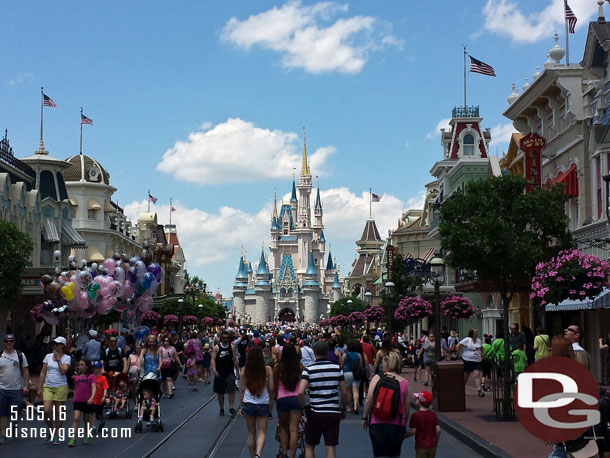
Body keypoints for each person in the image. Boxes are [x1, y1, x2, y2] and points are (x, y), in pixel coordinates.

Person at [298, 340, 347, 458]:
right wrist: (343, 408)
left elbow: (300, 392)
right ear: (327, 352)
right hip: (333, 411)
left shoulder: (308, 369)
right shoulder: (337, 369)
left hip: (315, 412)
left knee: (310, 445)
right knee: (330, 447)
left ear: (314, 352)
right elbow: (344, 392)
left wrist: (304, 407)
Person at [362, 352, 409, 458]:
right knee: (394, 454)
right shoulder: (404, 382)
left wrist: (364, 417)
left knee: (379, 454)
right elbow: (406, 407)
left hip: (377, 422)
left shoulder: (377, 378)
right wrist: (404, 423)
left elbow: (369, 399)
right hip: (396, 424)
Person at [240, 346, 274, 458]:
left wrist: (241, 406)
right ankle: (258, 454)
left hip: (248, 403)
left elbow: (242, 390)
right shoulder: (268, 370)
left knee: (251, 433)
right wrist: (271, 406)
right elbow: (272, 389)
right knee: (262, 432)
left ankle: (252, 456)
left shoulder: (244, 370)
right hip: (263, 403)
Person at [37, 336, 71, 444]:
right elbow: (43, 372)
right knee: (46, 410)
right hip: (48, 386)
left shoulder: (67, 358)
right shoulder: (47, 356)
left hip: (61, 386)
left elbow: (63, 371)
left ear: (62, 346)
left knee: (58, 412)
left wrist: (58, 360)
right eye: (54, 344)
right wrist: (40, 387)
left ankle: (57, 434)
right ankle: (51, 429)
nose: (55, 346)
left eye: (57, 344)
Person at [0, 333, 29, 444]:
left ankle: (13, 425)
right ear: (4, 342)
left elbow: (25, 370)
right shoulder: (1, 356)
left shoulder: (20, 355)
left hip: (16, 389)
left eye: (11, 341)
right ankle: (3, 434)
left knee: (16, 411)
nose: (9, 343)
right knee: (2, 412)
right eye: (7, 341)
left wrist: (26, 385)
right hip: (2, 389)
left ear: (14, 342)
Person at [274, 343, 303, 458]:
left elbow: (275, 384)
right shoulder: (299, 366)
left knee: (283, 427)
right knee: (294, 429)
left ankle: (284, 453)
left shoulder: (278, 366)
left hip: (282, 398)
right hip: (296, 398)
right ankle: (292, 455)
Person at [68, 359, 96, 447]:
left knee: (86, 420)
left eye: (82, 365)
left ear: (87, 367)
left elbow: (94, 388)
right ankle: (72, 438)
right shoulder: (77, 376)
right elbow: (76, 387)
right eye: (79, 365)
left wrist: (92, 398)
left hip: (87, 401)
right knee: (76, 418)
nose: (80, 366)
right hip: (77, 400)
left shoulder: (91, 376)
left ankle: (86, 435)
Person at [212, 330, 240, 417]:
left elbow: (235, 359)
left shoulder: (232, 347)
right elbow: (213, 360)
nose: (225, 339)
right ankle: (221, 408)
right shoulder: (216, 348)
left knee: (231, 389)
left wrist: (237, 371)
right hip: (220, 372)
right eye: (223, 338)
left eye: (227, 338)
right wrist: (214, 370)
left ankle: (231, 408)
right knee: (220, 392)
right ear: (221, 338)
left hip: (229, 372)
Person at [406, 391, 440, 458]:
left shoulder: (415, 415)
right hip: (432, 445)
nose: (416, 399)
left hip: (421, 445)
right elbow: (438, 430)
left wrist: (404, 436)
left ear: (419, 401)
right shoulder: (433, 415)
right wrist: (436, 440)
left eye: (417, 398)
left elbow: (413, 431)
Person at [456, 328, 485, 397]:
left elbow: (481, 348)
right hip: (467, 360)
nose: (477, 332)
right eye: (475, 331)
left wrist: (482, 355)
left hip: (477, 360)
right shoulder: (467, 340)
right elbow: (458, 346)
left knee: (477, 374)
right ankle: (462, 389)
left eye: (477, 331)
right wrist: (459, 355)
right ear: (472, 333)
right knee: (466, 375)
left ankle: (479, 390)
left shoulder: (478, 341)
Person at [340, 340, 364, 414]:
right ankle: (356, 406)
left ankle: (350, 407)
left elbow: (341, 365)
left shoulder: (345, 355)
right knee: (355, 390)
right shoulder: (359, 355)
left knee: (348, 391)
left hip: (347, 373)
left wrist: (343, 368)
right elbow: (360, 366)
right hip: (356, 374)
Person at [91, 361, 108, 434]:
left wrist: (104, 396)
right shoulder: (91, 377)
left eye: (97, 368)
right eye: (94, 368)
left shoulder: (103, 378)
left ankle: (102, 421)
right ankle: (93, 427)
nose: (95, 369)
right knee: (93, 413)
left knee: (99, 414)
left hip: (100, 399)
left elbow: (105, 388)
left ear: (100, 369)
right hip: (93, 398)